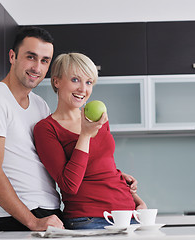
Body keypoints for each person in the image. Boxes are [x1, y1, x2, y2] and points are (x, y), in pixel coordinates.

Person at [0, 27, 138, 231]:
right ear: (12, 56)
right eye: (31, 57)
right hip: (21, 217)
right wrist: (33, 221)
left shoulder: (39, 104)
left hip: (51, 210)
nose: (37, 67)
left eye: (45, 60)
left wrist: (112, 176)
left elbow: (58, 161)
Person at [33, 52, 147, 229]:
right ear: (56, 81)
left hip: (129, 214)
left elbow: (104, 167)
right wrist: (85, 135)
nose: (83, 89)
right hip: (88, 218)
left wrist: (136, 200)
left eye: (89, 82)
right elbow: (69, 184)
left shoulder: (98, 118)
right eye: (75, 80)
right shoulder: (46, 128)